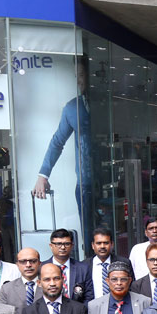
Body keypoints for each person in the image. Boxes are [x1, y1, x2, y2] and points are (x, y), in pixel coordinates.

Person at [32, 56, 93, 240]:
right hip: (85, 184)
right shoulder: (72, 108)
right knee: (89, 237)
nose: (78, 81)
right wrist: (43, 175)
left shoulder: (108, 103)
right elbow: (57, 141)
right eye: (76, 76)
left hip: (111, 181)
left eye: (81, 75)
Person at [44, 228, 92, 304]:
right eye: (58, 244)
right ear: (51, 246)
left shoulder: (83, 269)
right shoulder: (42, 268)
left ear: (72, 245)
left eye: (67, 244)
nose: (63, 247)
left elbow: (89, 297)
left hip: (78, 310)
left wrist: (79, 311)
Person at [86, 226, 131, 301]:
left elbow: (130, 287)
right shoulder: (84, 266)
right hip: (93, 306)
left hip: (120, 305)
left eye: (106, 243)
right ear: (93, 245)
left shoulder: (124, 262)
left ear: (112, 244)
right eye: (99, 243)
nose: (102, 246)